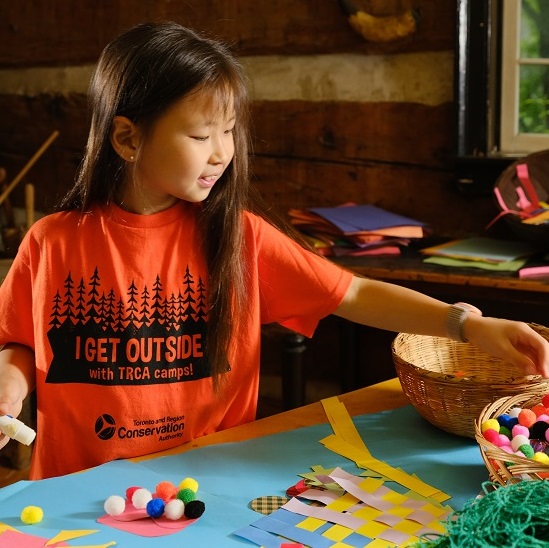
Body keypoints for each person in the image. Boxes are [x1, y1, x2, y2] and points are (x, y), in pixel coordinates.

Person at [0, 22, 547, 481]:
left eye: (229, 131)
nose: (221, 154)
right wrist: (11, 380)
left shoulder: (239, 236)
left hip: (205, 488)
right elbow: (19, 344)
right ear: (127, 139)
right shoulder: (52, 241)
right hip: (74, 496)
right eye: (199, 136)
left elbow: (351, 292)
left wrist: (467, 326)